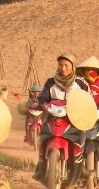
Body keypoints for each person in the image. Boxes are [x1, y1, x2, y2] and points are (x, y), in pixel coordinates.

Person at [32, 52, 90, 181]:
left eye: (66, 65)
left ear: (72, 66)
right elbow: (42, 99)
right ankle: (41, 166)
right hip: (53, 118)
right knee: (43, 137)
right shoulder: (50, 82)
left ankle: (79, 169)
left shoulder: (80, 83)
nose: (63, 68)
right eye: (60, 65)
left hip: (74, 120)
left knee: (80, 140)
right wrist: (41, 105)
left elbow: (88, 100)